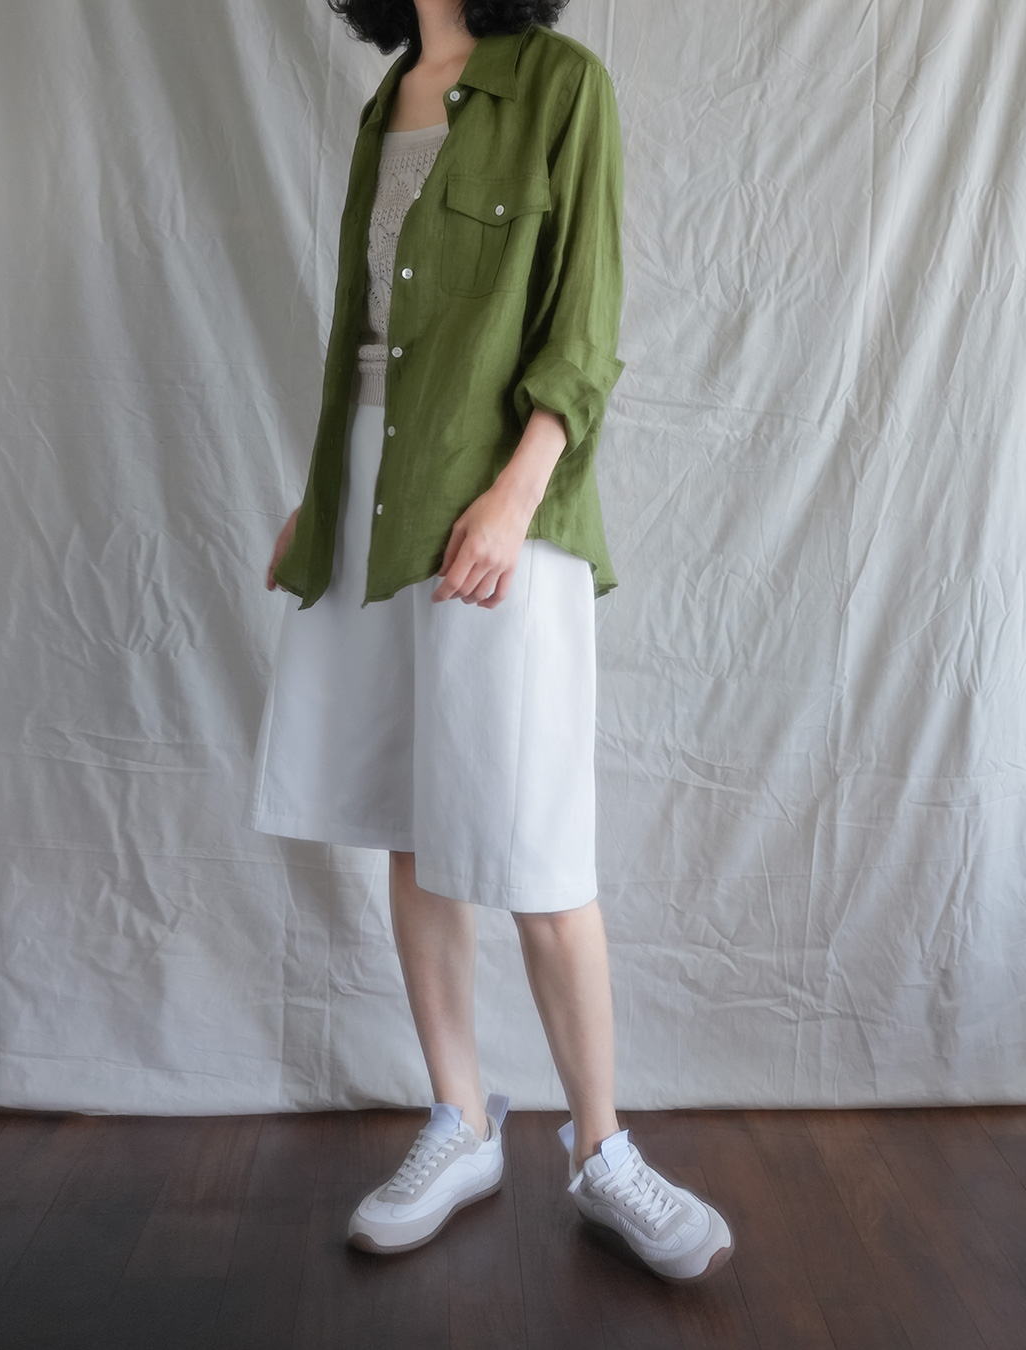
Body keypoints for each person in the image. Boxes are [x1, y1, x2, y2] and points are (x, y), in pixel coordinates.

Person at [242, 0, 735, 1285]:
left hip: (500, 495)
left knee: (537, 838)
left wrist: (516, 497)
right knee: (416, 821)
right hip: (373, 491)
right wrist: (323, 497)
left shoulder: (564, 86)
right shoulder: (389, 99)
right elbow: (367, 341)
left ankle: (602, 1148)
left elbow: (584, 324)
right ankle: (459, 1120)